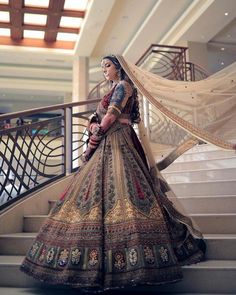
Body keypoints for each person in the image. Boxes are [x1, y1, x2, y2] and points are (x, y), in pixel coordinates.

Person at [20, 55, 205, 291]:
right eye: (102, 67)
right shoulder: (111, 89)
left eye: (107, 66)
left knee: (127, 190)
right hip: (107, 141)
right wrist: (93, 127)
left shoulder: (124, 86)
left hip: (119, 142)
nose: (104, 70)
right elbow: (96, 117)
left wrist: (94, 137)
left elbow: (111, 116)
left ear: (119, 68)